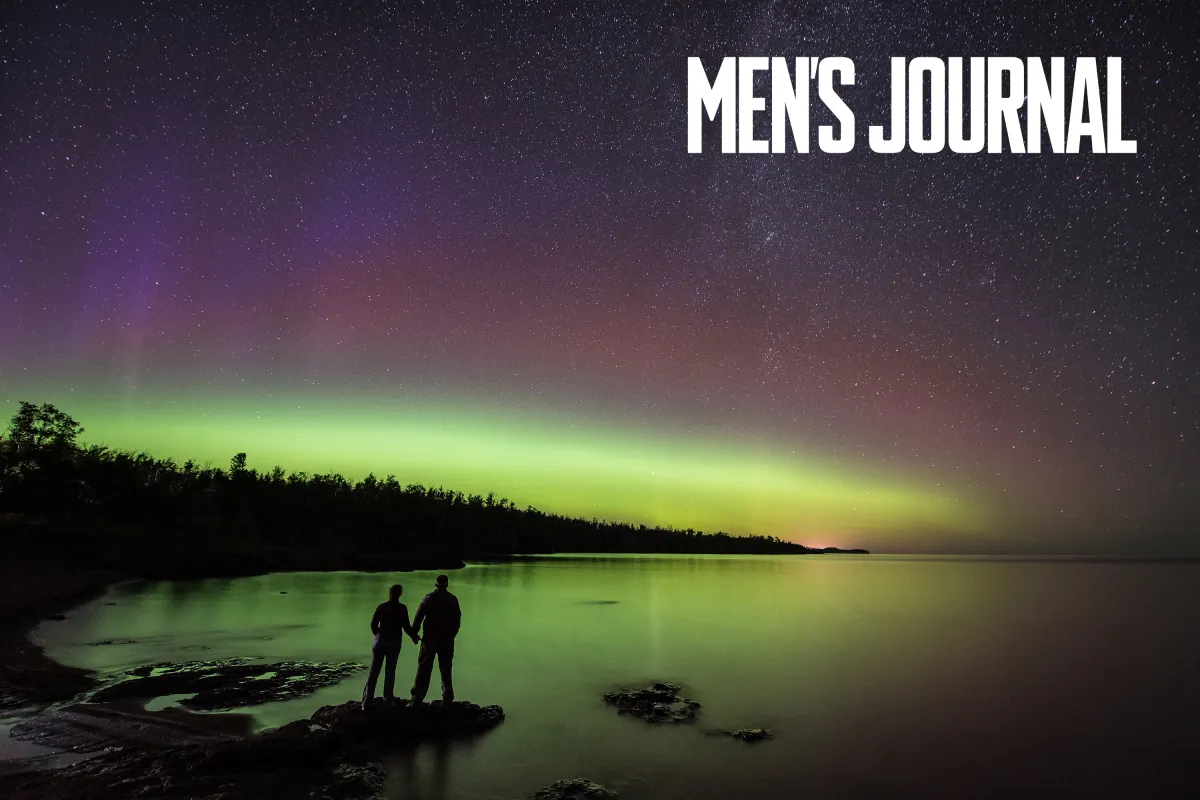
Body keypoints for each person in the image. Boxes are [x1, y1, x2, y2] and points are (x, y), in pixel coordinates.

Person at [362, 583, 419, 710]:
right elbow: (406, 627)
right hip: (394, 642)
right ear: (400, 594)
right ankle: (388, 700)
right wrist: (414, 636)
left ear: (389, 593)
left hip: (380, 642)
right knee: (390, 672)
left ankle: (367, 701)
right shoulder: (402, 608)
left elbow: (373, 624)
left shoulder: (381, 607)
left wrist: (379, 635)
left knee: (374, 672)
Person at [410, 574, 461, 705]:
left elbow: (418, 618)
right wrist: (452, 635)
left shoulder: (428, 598)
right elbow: (457, 621)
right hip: (446, 640)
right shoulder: (453, 599)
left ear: (435, 584)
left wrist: (414, 634)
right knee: (446, 669)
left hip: (429, 639)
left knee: (424, 669)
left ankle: (417, 698)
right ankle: (447, 698)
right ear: (447, 585)